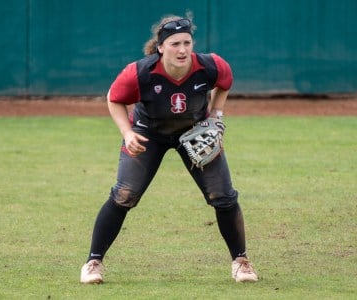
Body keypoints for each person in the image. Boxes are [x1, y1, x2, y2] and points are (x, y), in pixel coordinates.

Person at [80, 14, 258, 284]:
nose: (183, 49)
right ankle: (93, 262)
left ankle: (241, 262)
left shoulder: (210, 66)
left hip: (195, 132)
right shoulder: (140, 72)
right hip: (147, 133)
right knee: (124, 195)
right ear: (161, 47)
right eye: (175, 43)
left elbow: (225, 83)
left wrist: (216, 114)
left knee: (223, 196)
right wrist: (127, 133)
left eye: (187, 42)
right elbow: (114, 99)